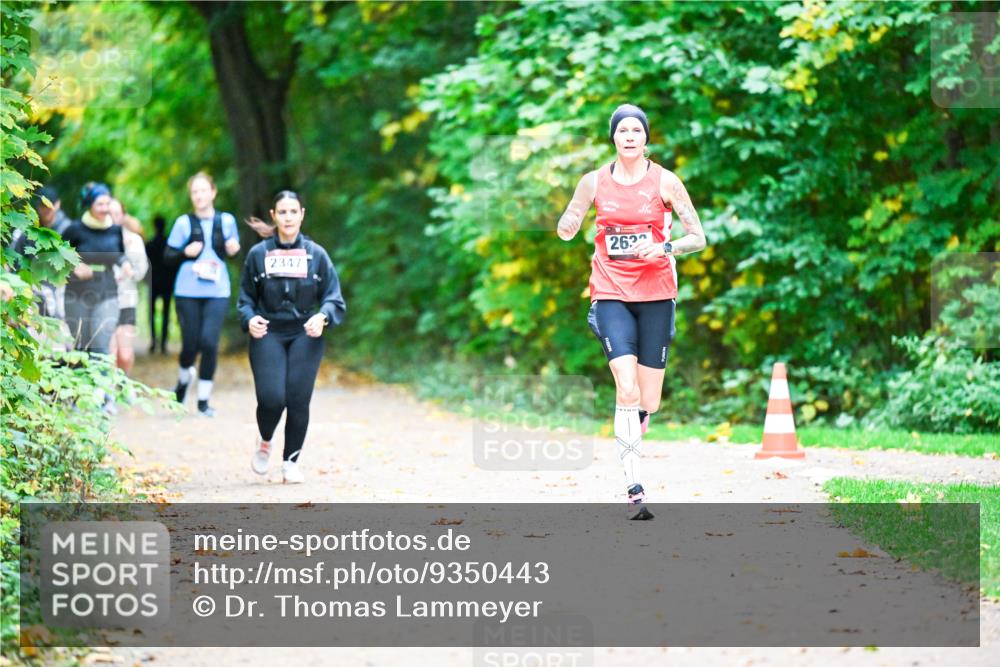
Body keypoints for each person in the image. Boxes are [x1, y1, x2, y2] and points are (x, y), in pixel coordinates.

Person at [556, 104, 706, 520]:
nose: (629, 136)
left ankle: (639, 416)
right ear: (613, 137)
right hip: (609, 292)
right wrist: (567, 225)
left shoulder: (666, 182)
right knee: (626, 387)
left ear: (646, 138)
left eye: (636, 130)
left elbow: (699, 236)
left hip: (657, 293)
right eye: (622, 130)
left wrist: (664, 247)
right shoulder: (593, 182)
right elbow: (571, 216)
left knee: (649, 400)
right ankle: (635, 489)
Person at [238, 190, 346, 484]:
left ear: (302, 214)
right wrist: (250, 320)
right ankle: (265, 438)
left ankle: (290, 462)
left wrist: (321, 317)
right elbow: (245, 299)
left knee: (298, 399)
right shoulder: (258, 254)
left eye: (293, 211)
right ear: (274, 216)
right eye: (282, 212)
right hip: (268, 332)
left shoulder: (316, 254)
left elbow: (334, 299)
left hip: (305, 333)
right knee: (272, 398)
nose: (288, 217)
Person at [164, 172, 240, 416]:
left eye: (203, 190)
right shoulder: (183, 223)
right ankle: (183, 381)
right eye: (194, 192)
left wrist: (233, 248)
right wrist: (186, 252)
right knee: (190, 344)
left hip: (217, 290)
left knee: (209, 342)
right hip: (187, 290)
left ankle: (204, 401)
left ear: (213, 192)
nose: (198, 196)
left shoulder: (226, 221)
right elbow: (167, 256)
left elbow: (234, 250)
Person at [62, 182, 131, 357]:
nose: (105, 208)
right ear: (90, 205)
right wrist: (74, 265)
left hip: (107, 290)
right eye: (100, 204)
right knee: (81, 347)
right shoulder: (75, 229)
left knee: (101, 346)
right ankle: (81, 383)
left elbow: (120, 254)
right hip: (77, 292)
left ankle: (102, 384)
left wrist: (125, 264)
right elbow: (56, 255)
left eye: (107, 204)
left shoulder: (116, 230)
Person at [108, 198, 148, 374]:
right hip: (102, 301)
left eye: (116, 214)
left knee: (124, 355)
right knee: (109, 354)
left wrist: (130, 258)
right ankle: (108, 396)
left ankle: (123, 385)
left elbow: (142, 271)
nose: (112, 217)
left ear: (123, 216)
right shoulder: (95, 238)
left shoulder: (134, 240)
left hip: (127, 301)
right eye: (109, 213)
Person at [145, 215, 177, 354]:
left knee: (152, 312)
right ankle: (163, 343)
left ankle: (153, 341)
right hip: (167, 283)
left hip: (153, 281)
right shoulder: (169, 245)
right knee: (166, 313)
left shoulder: (150, 244)